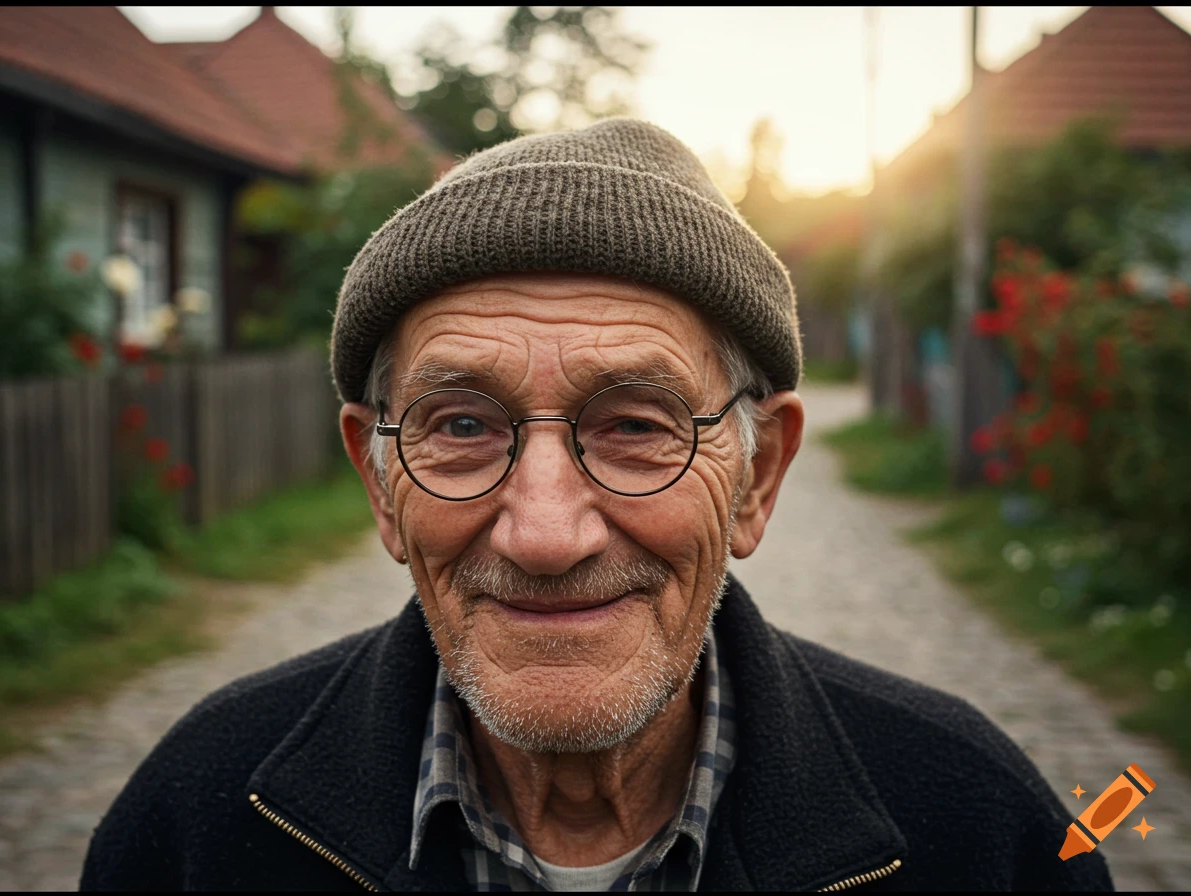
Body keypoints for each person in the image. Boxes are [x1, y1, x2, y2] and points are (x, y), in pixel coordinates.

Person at [80, 119, 1113, 892]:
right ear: (378, 480)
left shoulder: (981, 827)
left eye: (634, 424)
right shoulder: (199, 817)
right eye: (461, 425)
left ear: (756, 477)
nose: (541, 531)